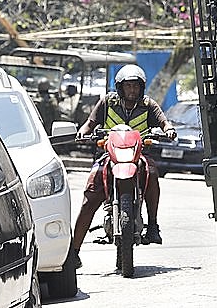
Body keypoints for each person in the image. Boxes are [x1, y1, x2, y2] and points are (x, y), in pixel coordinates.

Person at [70, 64, 176, 267]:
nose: (132, 90)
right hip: (108, 156)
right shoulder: (107, 102)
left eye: (136, 86)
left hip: (139, 156)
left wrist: (168, 129)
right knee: (90, 195)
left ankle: (152, 226)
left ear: (141, 88)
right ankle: (74, 252)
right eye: (128, 86)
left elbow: (164, 122)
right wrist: (82, 132)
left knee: (152, 173)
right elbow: (89, 123)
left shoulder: (148, 105)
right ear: (120, 87)